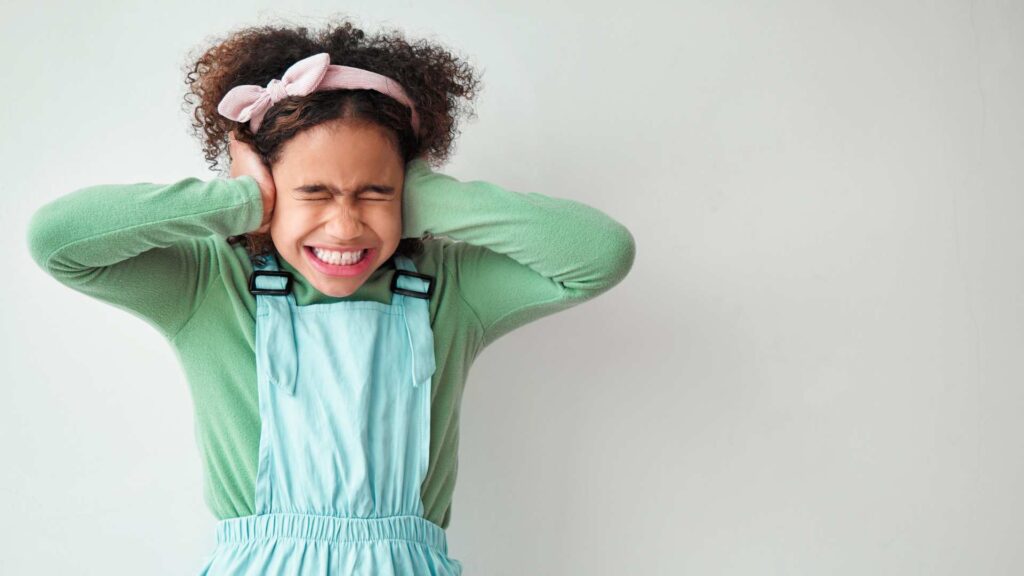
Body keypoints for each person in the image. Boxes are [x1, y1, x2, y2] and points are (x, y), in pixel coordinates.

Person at [25, 17, 636, 575]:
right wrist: (239, 202)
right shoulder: (209, 288)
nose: (345, 226)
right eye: (313, 192)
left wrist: (421, 195)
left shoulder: (450, 292)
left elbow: (599, 255)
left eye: (374, 193)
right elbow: (58, 240)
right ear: (268, 188)